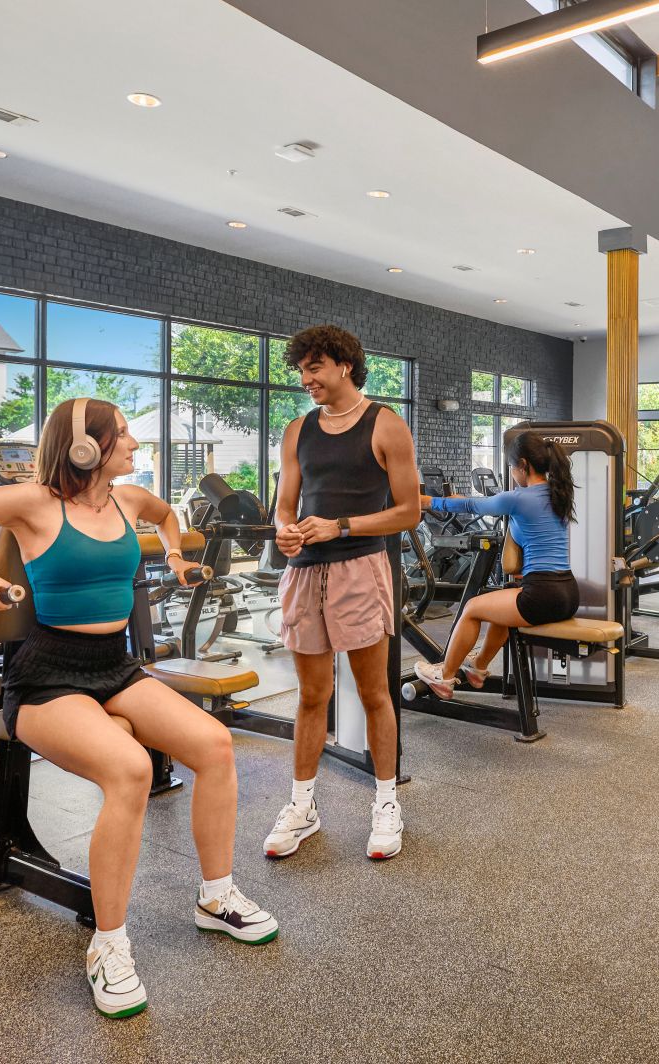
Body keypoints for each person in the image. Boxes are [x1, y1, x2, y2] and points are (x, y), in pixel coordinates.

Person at [0, 397, 277, 1020]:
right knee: (130, 769)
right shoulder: (33, 502)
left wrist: (174, 556)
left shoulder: (127, 499)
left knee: (215, 746)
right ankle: (109, 946)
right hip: (44, 677)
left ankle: (216, 895)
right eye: (123, 436)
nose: (133, 445)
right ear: (86, 447)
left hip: (115, 667)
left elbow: (169, 513)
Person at [264, 325, 421, 862]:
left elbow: (409, 511)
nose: (306, 379)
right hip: (306, 572)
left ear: (345, 366)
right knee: (311, 697)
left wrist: (342, 526)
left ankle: (385, 803)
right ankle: (303, 806)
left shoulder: (386, 425)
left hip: (360, 566)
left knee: (373, 692)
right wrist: (283, 529)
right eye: (302, 370)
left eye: (315, 368)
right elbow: (285, 503)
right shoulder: (297, 430)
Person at [412, 433, 579, 696]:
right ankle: (477, 667)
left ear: (523, 465)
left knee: (471, 608)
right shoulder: (558, 495)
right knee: (501, 610)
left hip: (542, 595)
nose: (512, 473)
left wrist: (428, 501)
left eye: (513, 467)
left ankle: (443, 677)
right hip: (568, 593)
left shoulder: (518, 498)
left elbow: (471, 504)